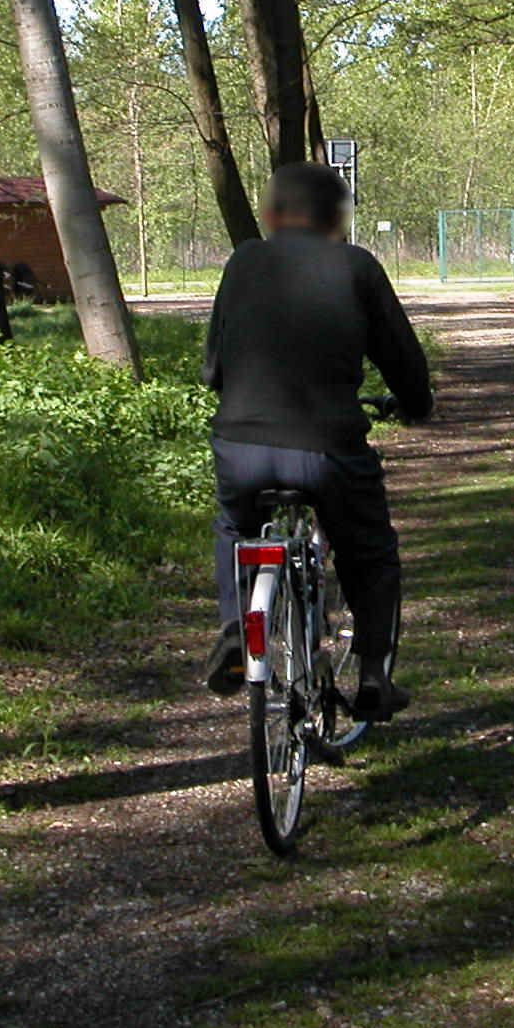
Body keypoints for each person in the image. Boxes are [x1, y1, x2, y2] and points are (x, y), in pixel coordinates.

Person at [200, 163, 434, 720]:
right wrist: (417, 404)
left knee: (235, 527)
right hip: (329, 450)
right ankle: (375, 674)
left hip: (243, 449)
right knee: (370, 550)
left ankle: (236, 630)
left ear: (272, 213)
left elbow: (213, 365)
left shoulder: (244, 261)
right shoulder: (357, 266)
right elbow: (400, 357)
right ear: (337, 217)